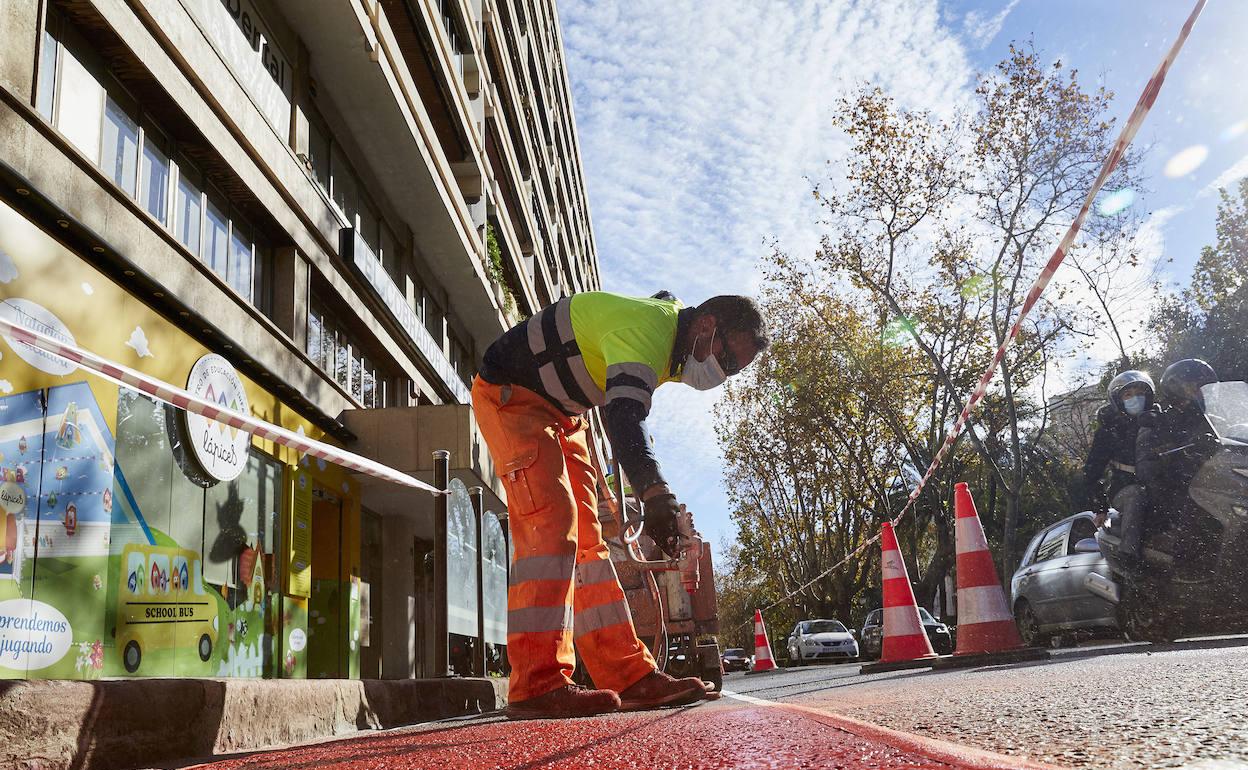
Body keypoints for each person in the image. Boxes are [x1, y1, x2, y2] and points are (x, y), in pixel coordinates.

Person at [472, 291, 768, 719]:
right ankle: (536, 682)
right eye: (729, 360)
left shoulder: (671, 329)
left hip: (562, 414)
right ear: (705, 326)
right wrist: (655, 493)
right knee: (554, 523)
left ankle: (627, 674)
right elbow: (626, 418)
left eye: (736, 370)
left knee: (589, 541)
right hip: (511, 398)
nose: (725, 373)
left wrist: (655, 494)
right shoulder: (648, 333)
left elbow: (661, 303)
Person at [1129, 359, 1219, 560]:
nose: (1200, 391)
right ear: (1175, 387)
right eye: (1194, 385)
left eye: (1205, 386)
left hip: (1214, 478)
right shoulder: (1159, 420)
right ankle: (1185, 573)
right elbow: (1148, 469)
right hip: (1176, 488)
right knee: (1198, 511)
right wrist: (1186, 456)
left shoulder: (1212, 417)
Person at [1084, 370, 1154, 528]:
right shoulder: (1108, 431)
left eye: (1139, 393)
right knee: (1135, 496)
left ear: (1148, 396)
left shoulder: (1161, 421)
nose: (1135, 398)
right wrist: (1100, 508)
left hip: (1160, 486)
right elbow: (1091, 472)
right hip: (1124, 489)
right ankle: (1128, 552)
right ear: (1118, 400)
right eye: (1128, 394)